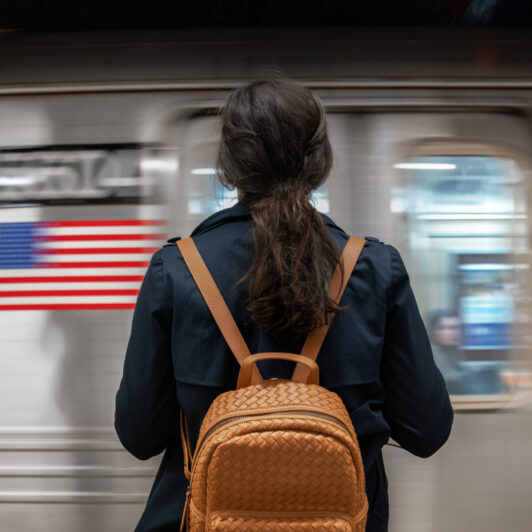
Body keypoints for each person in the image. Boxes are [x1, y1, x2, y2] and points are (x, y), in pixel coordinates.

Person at [114, 77, 454, 531]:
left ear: (228, 168)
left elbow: (139, 436)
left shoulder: (176, 271)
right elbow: (426, 431)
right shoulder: (374, 268)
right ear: (320, 164)